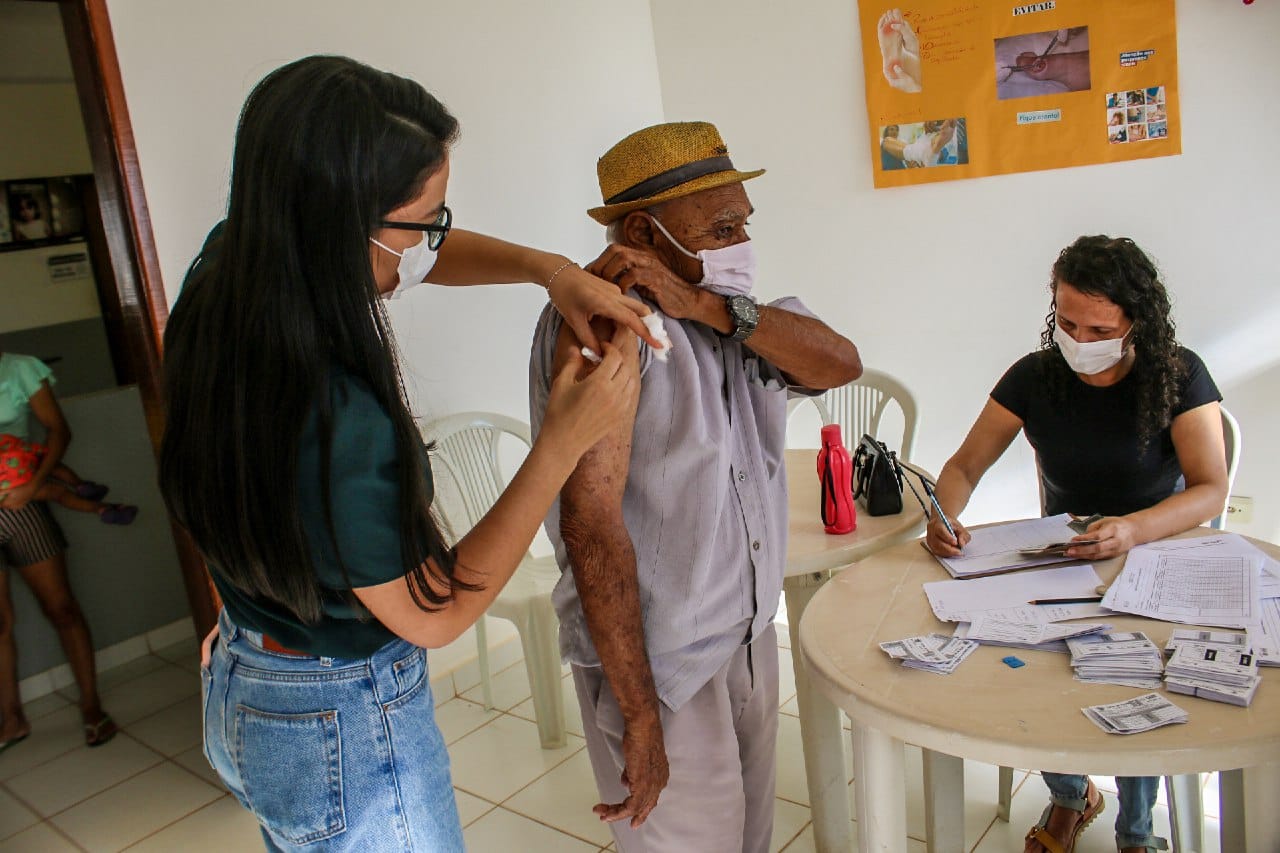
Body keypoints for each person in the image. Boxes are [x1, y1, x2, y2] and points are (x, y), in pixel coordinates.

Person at [160, 55, 651, 852]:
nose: (431, 243)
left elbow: (416, 255)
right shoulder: (337, 415)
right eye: (422, 220)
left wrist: (549, 271)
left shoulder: (230, 273)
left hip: (251, 675)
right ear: (339, 225)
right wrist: (562, 442)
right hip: (339, 728)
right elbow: (436, 611)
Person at [528, 121, 862, 852]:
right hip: (660, 663)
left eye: (742, 224)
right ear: (642, 234)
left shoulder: (735, 315)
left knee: (749, 839)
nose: (742, 243)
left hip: (744, 634)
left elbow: (842, 363)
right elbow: (590, 525)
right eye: (721, 229)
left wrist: (708, 306)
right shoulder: (606, 327)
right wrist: (639, 715)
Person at [923, 235, 1228, 853]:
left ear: (1137, 321)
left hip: (1154, 550)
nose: (1080, 342)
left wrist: (1133, 528)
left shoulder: (1179, 374)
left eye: (1100, 330)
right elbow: (964, 467)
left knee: (1135, 678)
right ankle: (1071, 796)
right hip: (1067, 557)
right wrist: (943, 514)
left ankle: (1136, 831)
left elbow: (1210, 489)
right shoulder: (1036, 377)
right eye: (1067, 324)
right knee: (1034, 668)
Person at [0, 351, 119, 750]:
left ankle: (91, 706)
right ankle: (12, 719)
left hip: (21, 505)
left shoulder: (18, 368)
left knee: (61, 608)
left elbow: (59, 431)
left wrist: (34, 485)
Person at [0, 434, 138, 524]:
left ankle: (101, 509)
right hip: (12, 459)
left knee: (58, 494)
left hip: (6, 489)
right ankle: (82, 486)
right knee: (49, 465)